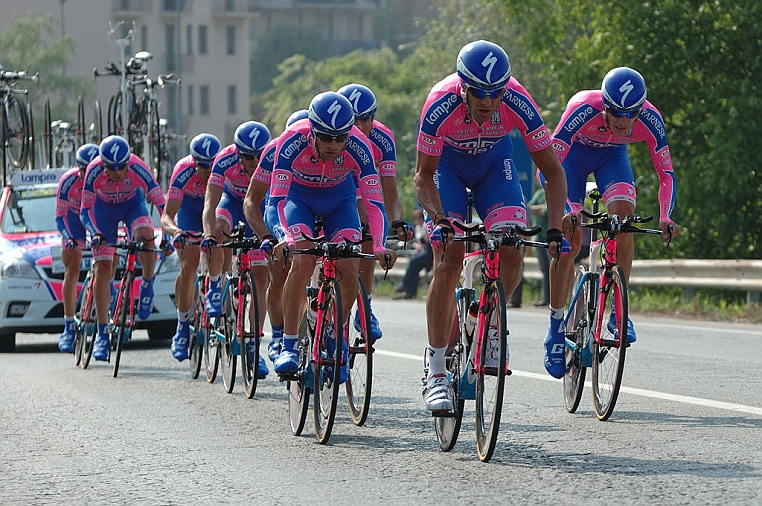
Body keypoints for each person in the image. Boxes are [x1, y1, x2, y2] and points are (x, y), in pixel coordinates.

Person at [414, 40, 569, 412]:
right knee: (450, 258)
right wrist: (438, 220)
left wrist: (554, 229)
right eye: (480, 93)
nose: (488, 101)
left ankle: (491, 319)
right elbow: (422, 177)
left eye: (495, 93)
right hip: (446, 170)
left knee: (512, 248)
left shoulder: (517, 101)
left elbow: (552, 171)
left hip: (493, 167)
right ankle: (436, 372)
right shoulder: (440, 104)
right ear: (463, 87)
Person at [542, 66, 681, 378]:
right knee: (569, 236)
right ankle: (554, 328)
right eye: (615, 112)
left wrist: (665, 216)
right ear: (604, 104)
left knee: (623, 222)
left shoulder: (650, 118)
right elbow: (548, 165)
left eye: (630, 114)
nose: (622, 120)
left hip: (612, 160)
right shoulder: (582, 109)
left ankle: (617, 311)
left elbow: (666, 174)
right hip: (571, 162)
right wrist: (568, 208)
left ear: (640, 109)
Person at [261, 91, 396, 379]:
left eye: (341, 138)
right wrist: (283, 237)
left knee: (349, 264)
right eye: (326, 137)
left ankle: (336, 332)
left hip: (339, 200)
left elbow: (374, 203)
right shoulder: (290, 141)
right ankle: (288, 344)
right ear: (312, 130)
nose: (334, 145)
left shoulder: (359, 146)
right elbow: (275, 203)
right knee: (304, 259)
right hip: (300, 199)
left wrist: (381, 245)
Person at [79, 135, 167, 361]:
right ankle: (101, 334)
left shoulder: (139, 167)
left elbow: (162, 205)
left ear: (129, 161)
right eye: (111, 168)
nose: (117, 172)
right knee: (102, 269)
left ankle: (147, 284)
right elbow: (84, 210)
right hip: (103, 211)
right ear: (103, 164)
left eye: (122, 167)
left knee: (147, 235)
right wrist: (95, 233)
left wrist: (166, 237)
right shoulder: (93, 170)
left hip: (132, 205)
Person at [337, 83, 412, 342]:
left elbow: (389, 193)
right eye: (355, 121)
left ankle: (364, 308)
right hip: (337, 188)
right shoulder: (335, 136)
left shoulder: (382, 138)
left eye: (367, 119)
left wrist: (398, 221)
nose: (361, 127)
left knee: (370, 232)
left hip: (366, 187)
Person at [201, 121, 272, 380]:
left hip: (261, 207)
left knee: (261, 278)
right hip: (231, 202)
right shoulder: (223, 160)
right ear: (238, 153)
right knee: (219, 227)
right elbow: (210, 203)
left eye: (259, 156)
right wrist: (208, 235)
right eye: (249, 157)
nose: (255, 162)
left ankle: (254, 344)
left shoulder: (273, 159)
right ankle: (215, 284)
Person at [243, 108, 308, 363]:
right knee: (278, 271)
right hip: (282, 205)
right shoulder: (276, 150)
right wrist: (269, 237)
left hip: (317, 204)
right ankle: (279, 333)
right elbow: (261, 202)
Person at [160, 133, 221, 361]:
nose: (208, 170)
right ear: (194, 163)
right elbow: (167, 215)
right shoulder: (183, 170)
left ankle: (220, 290)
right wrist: (177, 233)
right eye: (203, 166)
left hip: (213, 208)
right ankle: (183, 325)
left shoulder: (222, 169)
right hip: (189, 210)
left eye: (212, 165)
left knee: (221, 243)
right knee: (188, 264)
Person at [55, 143, 100, 353]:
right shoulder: (68, 182)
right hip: (74, 220)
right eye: (84, 170)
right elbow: (60, 217)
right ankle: (68, 327)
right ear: (78, 168)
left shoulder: (106, 177)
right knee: (71, 268)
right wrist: (69, 238)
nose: (88, 174)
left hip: (96, 216)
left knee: (108, 260)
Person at [393, 208, 433, 300]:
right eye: (415, 218)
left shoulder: (425, 226)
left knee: (413, 263)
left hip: (429, 252)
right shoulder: (418, 228)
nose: (417, 220)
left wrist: (426, 229)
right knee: (414, 268)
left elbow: (427, 240)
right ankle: (410, 291)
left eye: (419, 218)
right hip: (422, 252)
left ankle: (405, 286)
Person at [527, 187, 550, 306]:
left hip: (550, 236)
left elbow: (548, 211)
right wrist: (543, 207)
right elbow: (529, 208)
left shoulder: (555, 191)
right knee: (544, 269)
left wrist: (541, 209)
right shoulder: (539, 193)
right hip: (538, 236)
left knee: (552, 268)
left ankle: (552, 299)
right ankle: (545, 298)